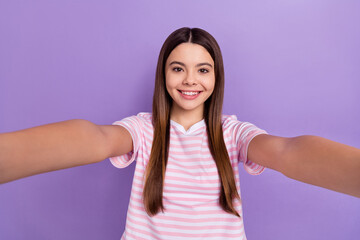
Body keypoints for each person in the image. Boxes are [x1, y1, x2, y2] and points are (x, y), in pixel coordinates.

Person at [0, 27, 359, 239]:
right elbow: (96, 138)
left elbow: (288, 152)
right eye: (178, 68)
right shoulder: (143, 129)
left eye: (203, 69)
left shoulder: (232, 133)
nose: (190, 80)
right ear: (164, 76)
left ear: (216, 78)